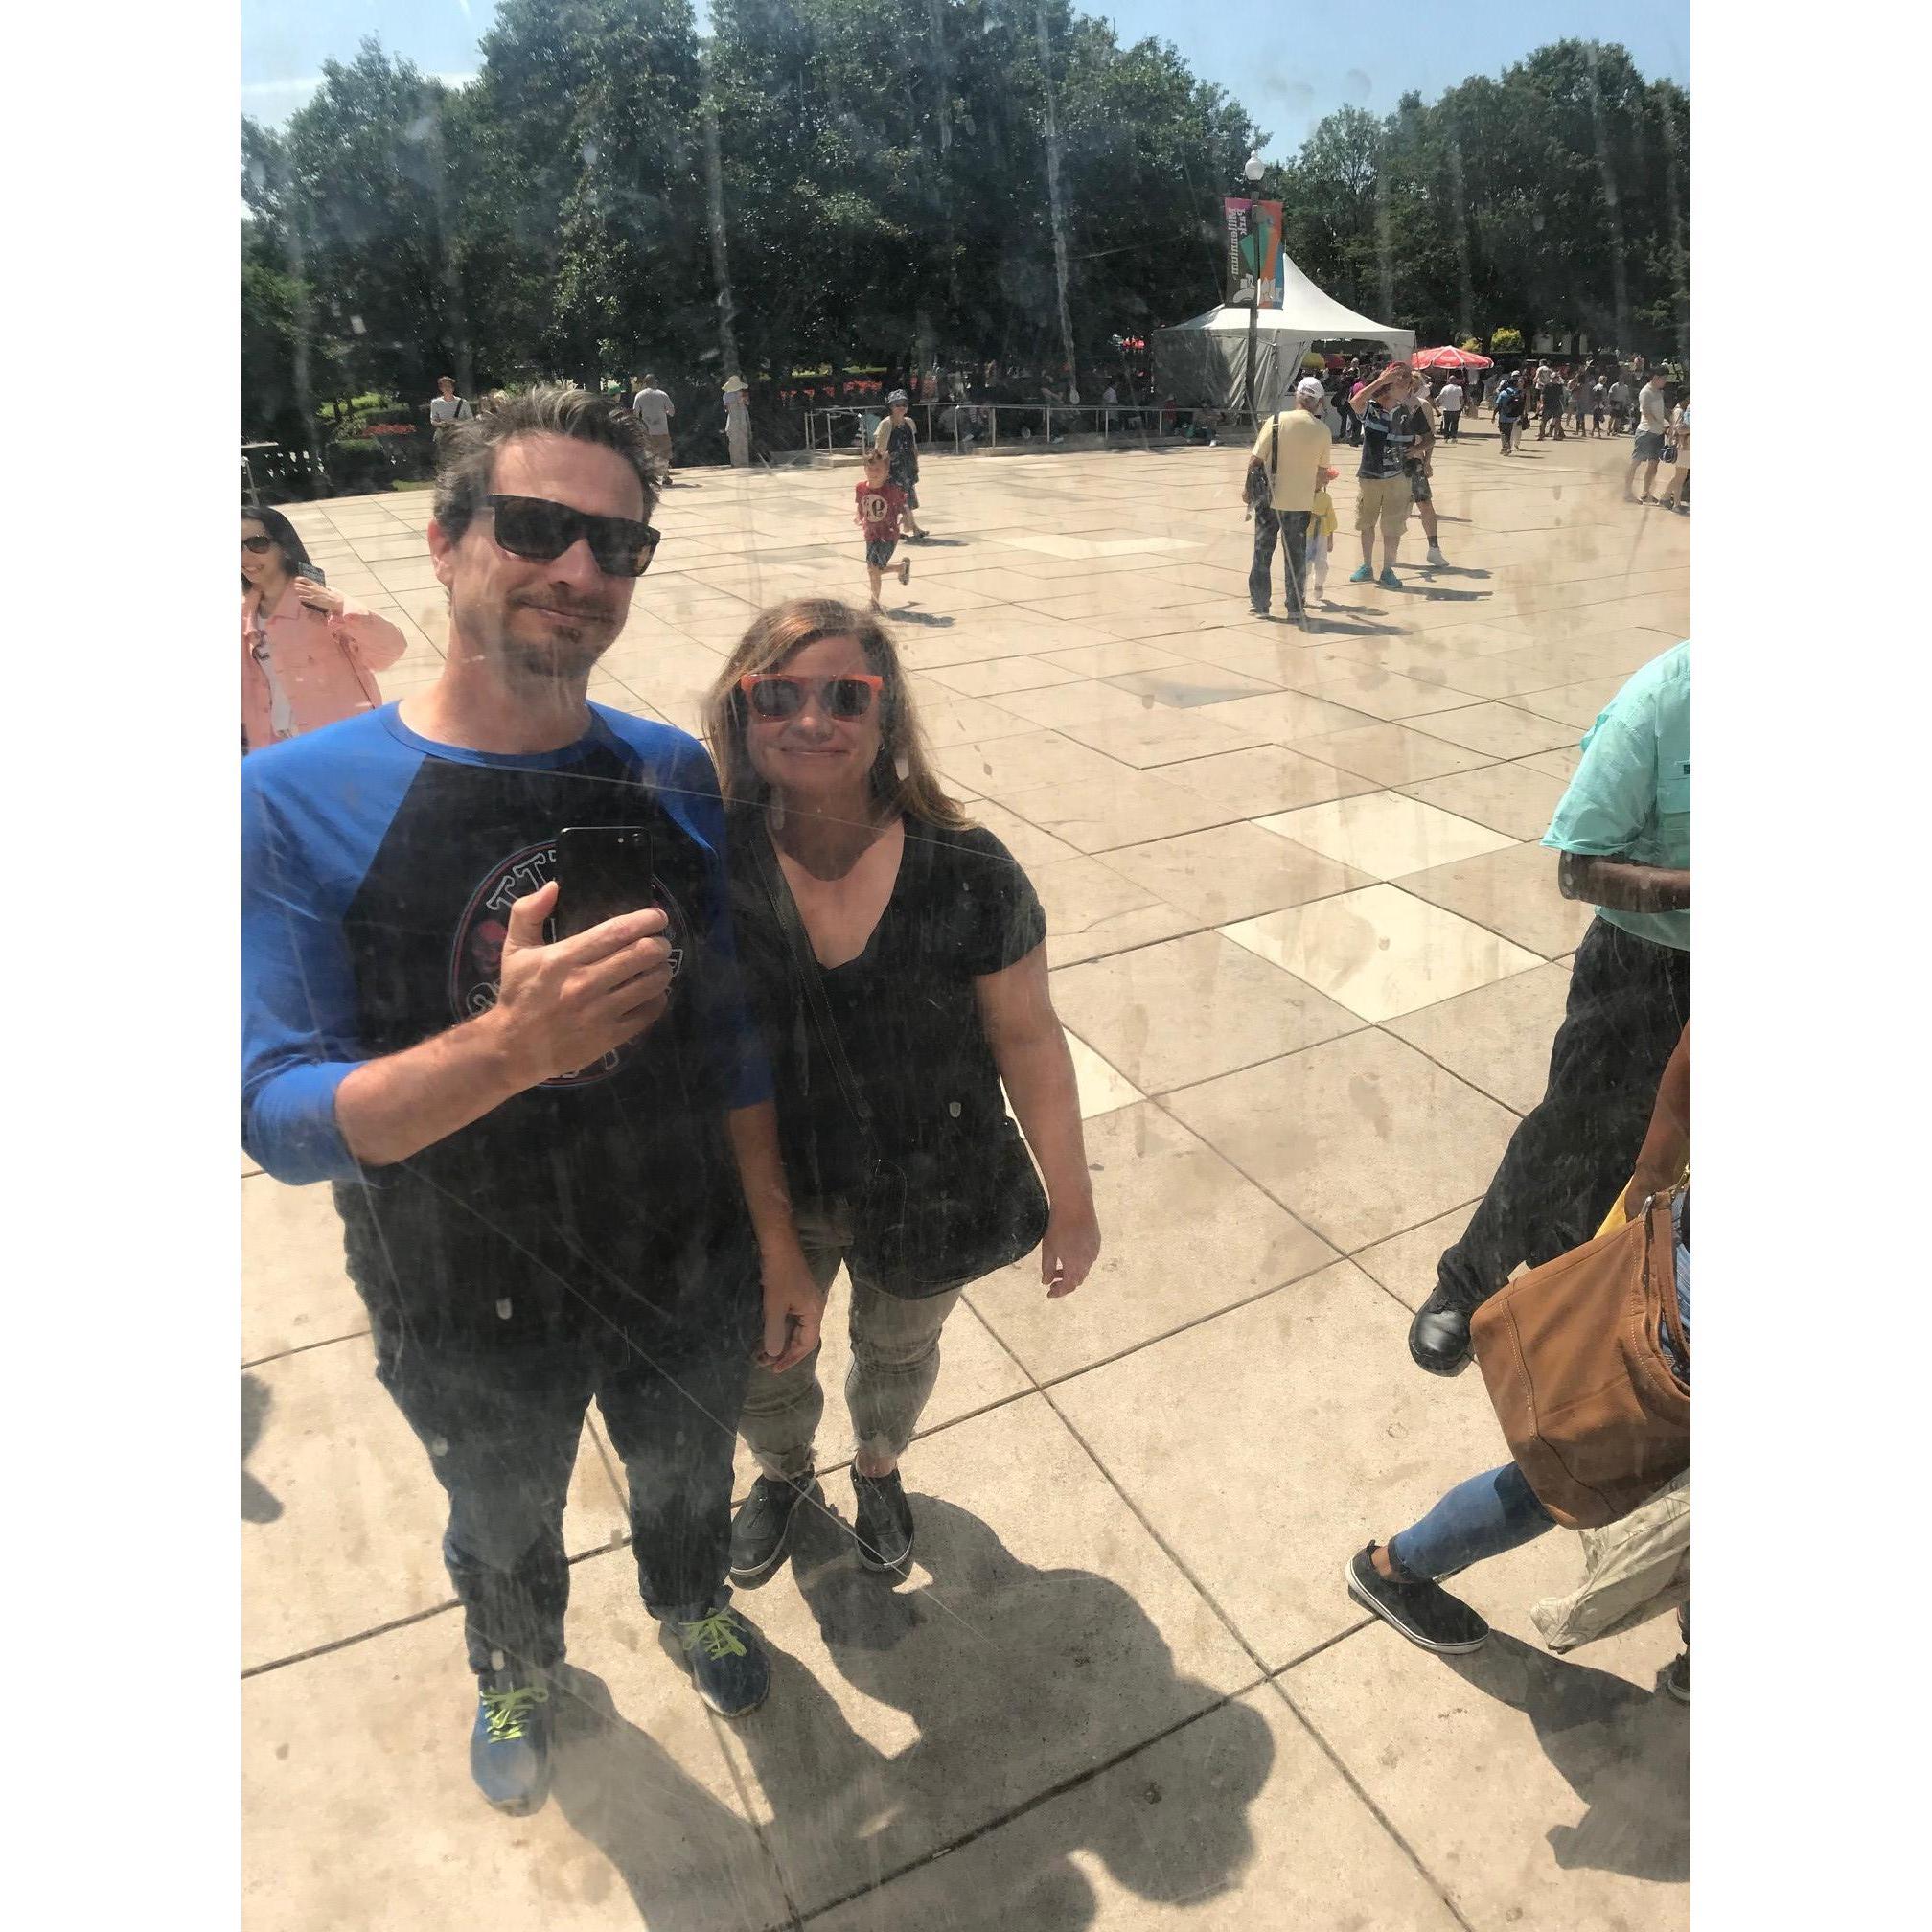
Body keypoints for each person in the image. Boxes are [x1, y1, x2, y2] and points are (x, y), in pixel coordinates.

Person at [242, 389, 826, 1816]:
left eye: (618, 546)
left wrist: (777, 1236)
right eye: (541, 528)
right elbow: (276, 1115)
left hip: (679, 1262)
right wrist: (502, 1053)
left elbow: (728, 1029)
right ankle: (516, 1659)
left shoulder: (672, 774)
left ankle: (690, 1604)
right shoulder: (295, 798)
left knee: (685, 1479)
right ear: (444, 545)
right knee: (500, 1519)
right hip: (460, 1287)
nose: (582, 571)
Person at [706, 597, 1101, 1586]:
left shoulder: (965, 867)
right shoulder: (709, 863)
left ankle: (878, 1462)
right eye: (779, 695)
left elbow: (1029, 1040)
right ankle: (785, 1475)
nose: (812, 719)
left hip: (931, 1181)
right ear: (740, 712)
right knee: (766, 1359)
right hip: (765, 1189)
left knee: (898, 1348)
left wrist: (1074, 1200)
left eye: (847, 694)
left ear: (887, 718)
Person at [1355, 1026, 1689, 1677]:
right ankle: (1393, 1569)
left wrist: (1645, 1200)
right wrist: (1640, 1205)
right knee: (1557, 1473)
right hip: (1682, 1334)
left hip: (1682, 1294)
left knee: (1573, 1473)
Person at [1409, 639, 1690, 1376]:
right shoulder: (1663, 702)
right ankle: (1468, 1282)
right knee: (1577, 1128)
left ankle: (1614, 1308)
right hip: (1648, 961)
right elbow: (1580, 867)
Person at [242, 504, 405, 753]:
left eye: (257, 544)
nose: (245, 557)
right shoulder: (244, 618)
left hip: (342, 747)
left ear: (284, 548)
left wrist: (339, 606)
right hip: (279, 752)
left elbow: (391, 649)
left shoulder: (319, 605)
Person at [1246, 375, 1334, 625]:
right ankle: (1295, 607)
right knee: (1295, 556)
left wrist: (1247, 491)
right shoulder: (1323, 431)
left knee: (1263, 551)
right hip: (1300, 503)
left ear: (1297, 397)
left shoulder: (1275, 422)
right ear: (1318, 403)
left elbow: (1255, 461)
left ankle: (1261, 605)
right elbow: (1322, 473)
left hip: (1269, 501)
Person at [1347, 362, 1428, 588]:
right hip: (1370, 475)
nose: (1406, 386)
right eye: (1400, 382)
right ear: (1390, 386)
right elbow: (1355, 402)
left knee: (1393, 526)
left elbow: (1429, 437)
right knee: (1366, 523)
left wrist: (1418, 450)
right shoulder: (1371, 408)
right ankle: (1366, 566)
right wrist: (1381, 380)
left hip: (1399, 477)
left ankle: (1387, 569)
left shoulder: (1410, 410)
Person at [855, 449, 912, 610]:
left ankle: (875, 603)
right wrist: (859, 516)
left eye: (878, 470)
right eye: (870, 469)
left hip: (887, 535)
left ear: (887, 472)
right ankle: (900, 568)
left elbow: (904, 504)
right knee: (873, 569)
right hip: (871, 535)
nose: (873, 473)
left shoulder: (890, 490)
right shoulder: (860, 488)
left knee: (874, 569)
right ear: (865, 469)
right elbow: (860, 504)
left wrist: (908, 518)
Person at [1402, 382, 1450, 570]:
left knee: (1425, 504)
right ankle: (1391, 547)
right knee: (1396, 509)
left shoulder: (1421, 405)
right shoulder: (1387, 403)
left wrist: (1426, 460)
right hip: (1395, 465)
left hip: (1414, 462)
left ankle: (1434, 549)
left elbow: (1429, 437)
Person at [872, 391, 927, 537]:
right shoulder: (886, 423)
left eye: (904, 404)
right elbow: (879, 449)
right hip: (892, 468)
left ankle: (909, 527)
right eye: (897, 405)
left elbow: (913, 444)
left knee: (907, 496)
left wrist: (915, 461)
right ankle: (908, 527)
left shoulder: (909, 422)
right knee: (897, 498)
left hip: (907, 465)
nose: (901, 407)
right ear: (890, 406)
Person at [1625, 371, 1672, 504]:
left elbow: (1662, 411)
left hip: (1657, 433)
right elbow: (1647, 413)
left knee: (1653, 464)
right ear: (1656, 378)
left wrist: (1670, 420)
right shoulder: (1645, 392)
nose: (1665, 382)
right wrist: (1662, 426)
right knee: (1636, 462)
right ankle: (1627, 492)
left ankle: (1646, 493)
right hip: (1646, 432)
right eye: (1663, 379)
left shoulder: (1658, 392)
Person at [1305, 463, 1341, 605]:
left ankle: (1319, 583)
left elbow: (1331, 519)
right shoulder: (1303, 495)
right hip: (1305, 534)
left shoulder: (1326, 498)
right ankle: (1301, 593)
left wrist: (1330, 539)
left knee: (1322, 563)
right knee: (1304, 564)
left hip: (1321, 534)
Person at [632, 372, 677, 483]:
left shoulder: (639, 396)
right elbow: (672, 412)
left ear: (645, 384)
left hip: (647, 430)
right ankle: (665, 476)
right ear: (655, 382)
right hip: (662, 429)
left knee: (649, 454)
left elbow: (635, 413)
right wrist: (665, 411)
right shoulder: (662, 394)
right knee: (664, 453)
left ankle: (651, 477)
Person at [1658, 395, 1691, 513]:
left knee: (1680, 477)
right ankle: (1671, 501)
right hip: (1683, 447)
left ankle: (1668, 499)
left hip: (1686, 447)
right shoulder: (1679, 411)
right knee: (1680, 476)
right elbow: (1679, 429)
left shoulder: (1683, 410)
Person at [429, 376, 473, 448]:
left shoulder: (463, 402)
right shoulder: (435, 403)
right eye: (444, 386)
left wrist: (459, 423)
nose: (447, 388)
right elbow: (433, 420)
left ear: (453, 388)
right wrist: (440, 424)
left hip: (460, 434)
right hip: (444, 435)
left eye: (449, 386)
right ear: (441, 388)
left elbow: (471, 419)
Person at [724, 374, 752, 469]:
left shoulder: (742, 393)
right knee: (734, 440)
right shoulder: (726, 395)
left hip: (742, 417)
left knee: (743, 439)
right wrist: (736, 401)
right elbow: (726, 408)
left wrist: (743, 398)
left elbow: (747, 403)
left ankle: (744, 461)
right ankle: (735, 462)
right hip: (733, 418)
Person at [1494, 371, 1525, 455]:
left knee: (1503, 432)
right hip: (1513, 417)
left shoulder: (1503, 393)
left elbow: (1498, 405)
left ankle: (1505, 447)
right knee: (1509, 432)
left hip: (1503, 416)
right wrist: (1521, 416)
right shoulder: (1519, 393)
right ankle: (1508, 448)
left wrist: (1494, 415)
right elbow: (1522, 405)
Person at [1436, 374, 1464, 442]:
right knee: (1454, 424)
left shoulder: (1445, 388)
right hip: (1456, 409)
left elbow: (1440, 397)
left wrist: (1437, 404)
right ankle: (1453, 437)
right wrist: (1461, 406)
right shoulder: (1459, 388)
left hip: (1446, 409)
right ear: (1455, 381)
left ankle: (1446, 438)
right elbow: (1462, 399)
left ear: (1449, 380)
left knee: (1446, 424)